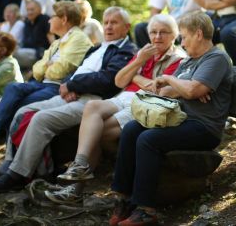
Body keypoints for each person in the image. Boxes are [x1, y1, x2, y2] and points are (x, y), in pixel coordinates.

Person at [0, 7, 137, 193]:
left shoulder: (127, 51)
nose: (108, 26)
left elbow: (108, 79)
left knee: (41, 119)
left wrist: (73, 85)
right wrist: (67, 85)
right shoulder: (96, 47)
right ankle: (7, 166)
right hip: (73, 95)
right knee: (23, 112)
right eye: (106, 22)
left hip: (94, 102)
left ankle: (18, 175)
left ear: (127, 27)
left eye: (114, 22)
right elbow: (75, 71)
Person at [44, 14, 185, 204]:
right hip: (125, 97)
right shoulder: (144, 52)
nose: (157, 36)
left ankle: (75, 190)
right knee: (92, 107)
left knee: (97, 130)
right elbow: (119, 80)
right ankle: (80, 165)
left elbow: (158, 89)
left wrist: (134, 77)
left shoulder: (178, 58)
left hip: (145, 103)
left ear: (174, 35)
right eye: (153, 32)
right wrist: (138, 61)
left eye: (163, 32)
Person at [108, 12, 232, 226]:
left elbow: (190, 89)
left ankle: (146, 209)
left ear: (199, 34)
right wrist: (184, 88)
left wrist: (176, 82)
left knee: (149, 139)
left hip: (204, 127)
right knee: (131, 129)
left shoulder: (216, 58)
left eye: (184, 37)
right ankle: (124, 198)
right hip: (179, 119)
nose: (182, 42)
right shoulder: (191, 61)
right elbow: (166, 92)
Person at [0, 0, 93, 148]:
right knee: (13, 88)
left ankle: (2, 142)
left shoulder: (78, 38)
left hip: (58, 87)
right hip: (43, 83)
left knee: (20, 104)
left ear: (64, 19)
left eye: (53, 16)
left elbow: (61, 70)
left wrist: (46, 67)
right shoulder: (58, 42)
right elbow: (37, 70)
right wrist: (47, 66)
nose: (49, 19)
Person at [15, 0, 51, 70]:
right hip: (25, 50)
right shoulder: (27, 22)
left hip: (39, 53)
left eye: (32, 10)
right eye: (28, 10)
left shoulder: (45, 19)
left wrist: (51, 56)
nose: (29, 12)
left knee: (12, 54)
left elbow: (52, 39)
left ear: (40, 10)